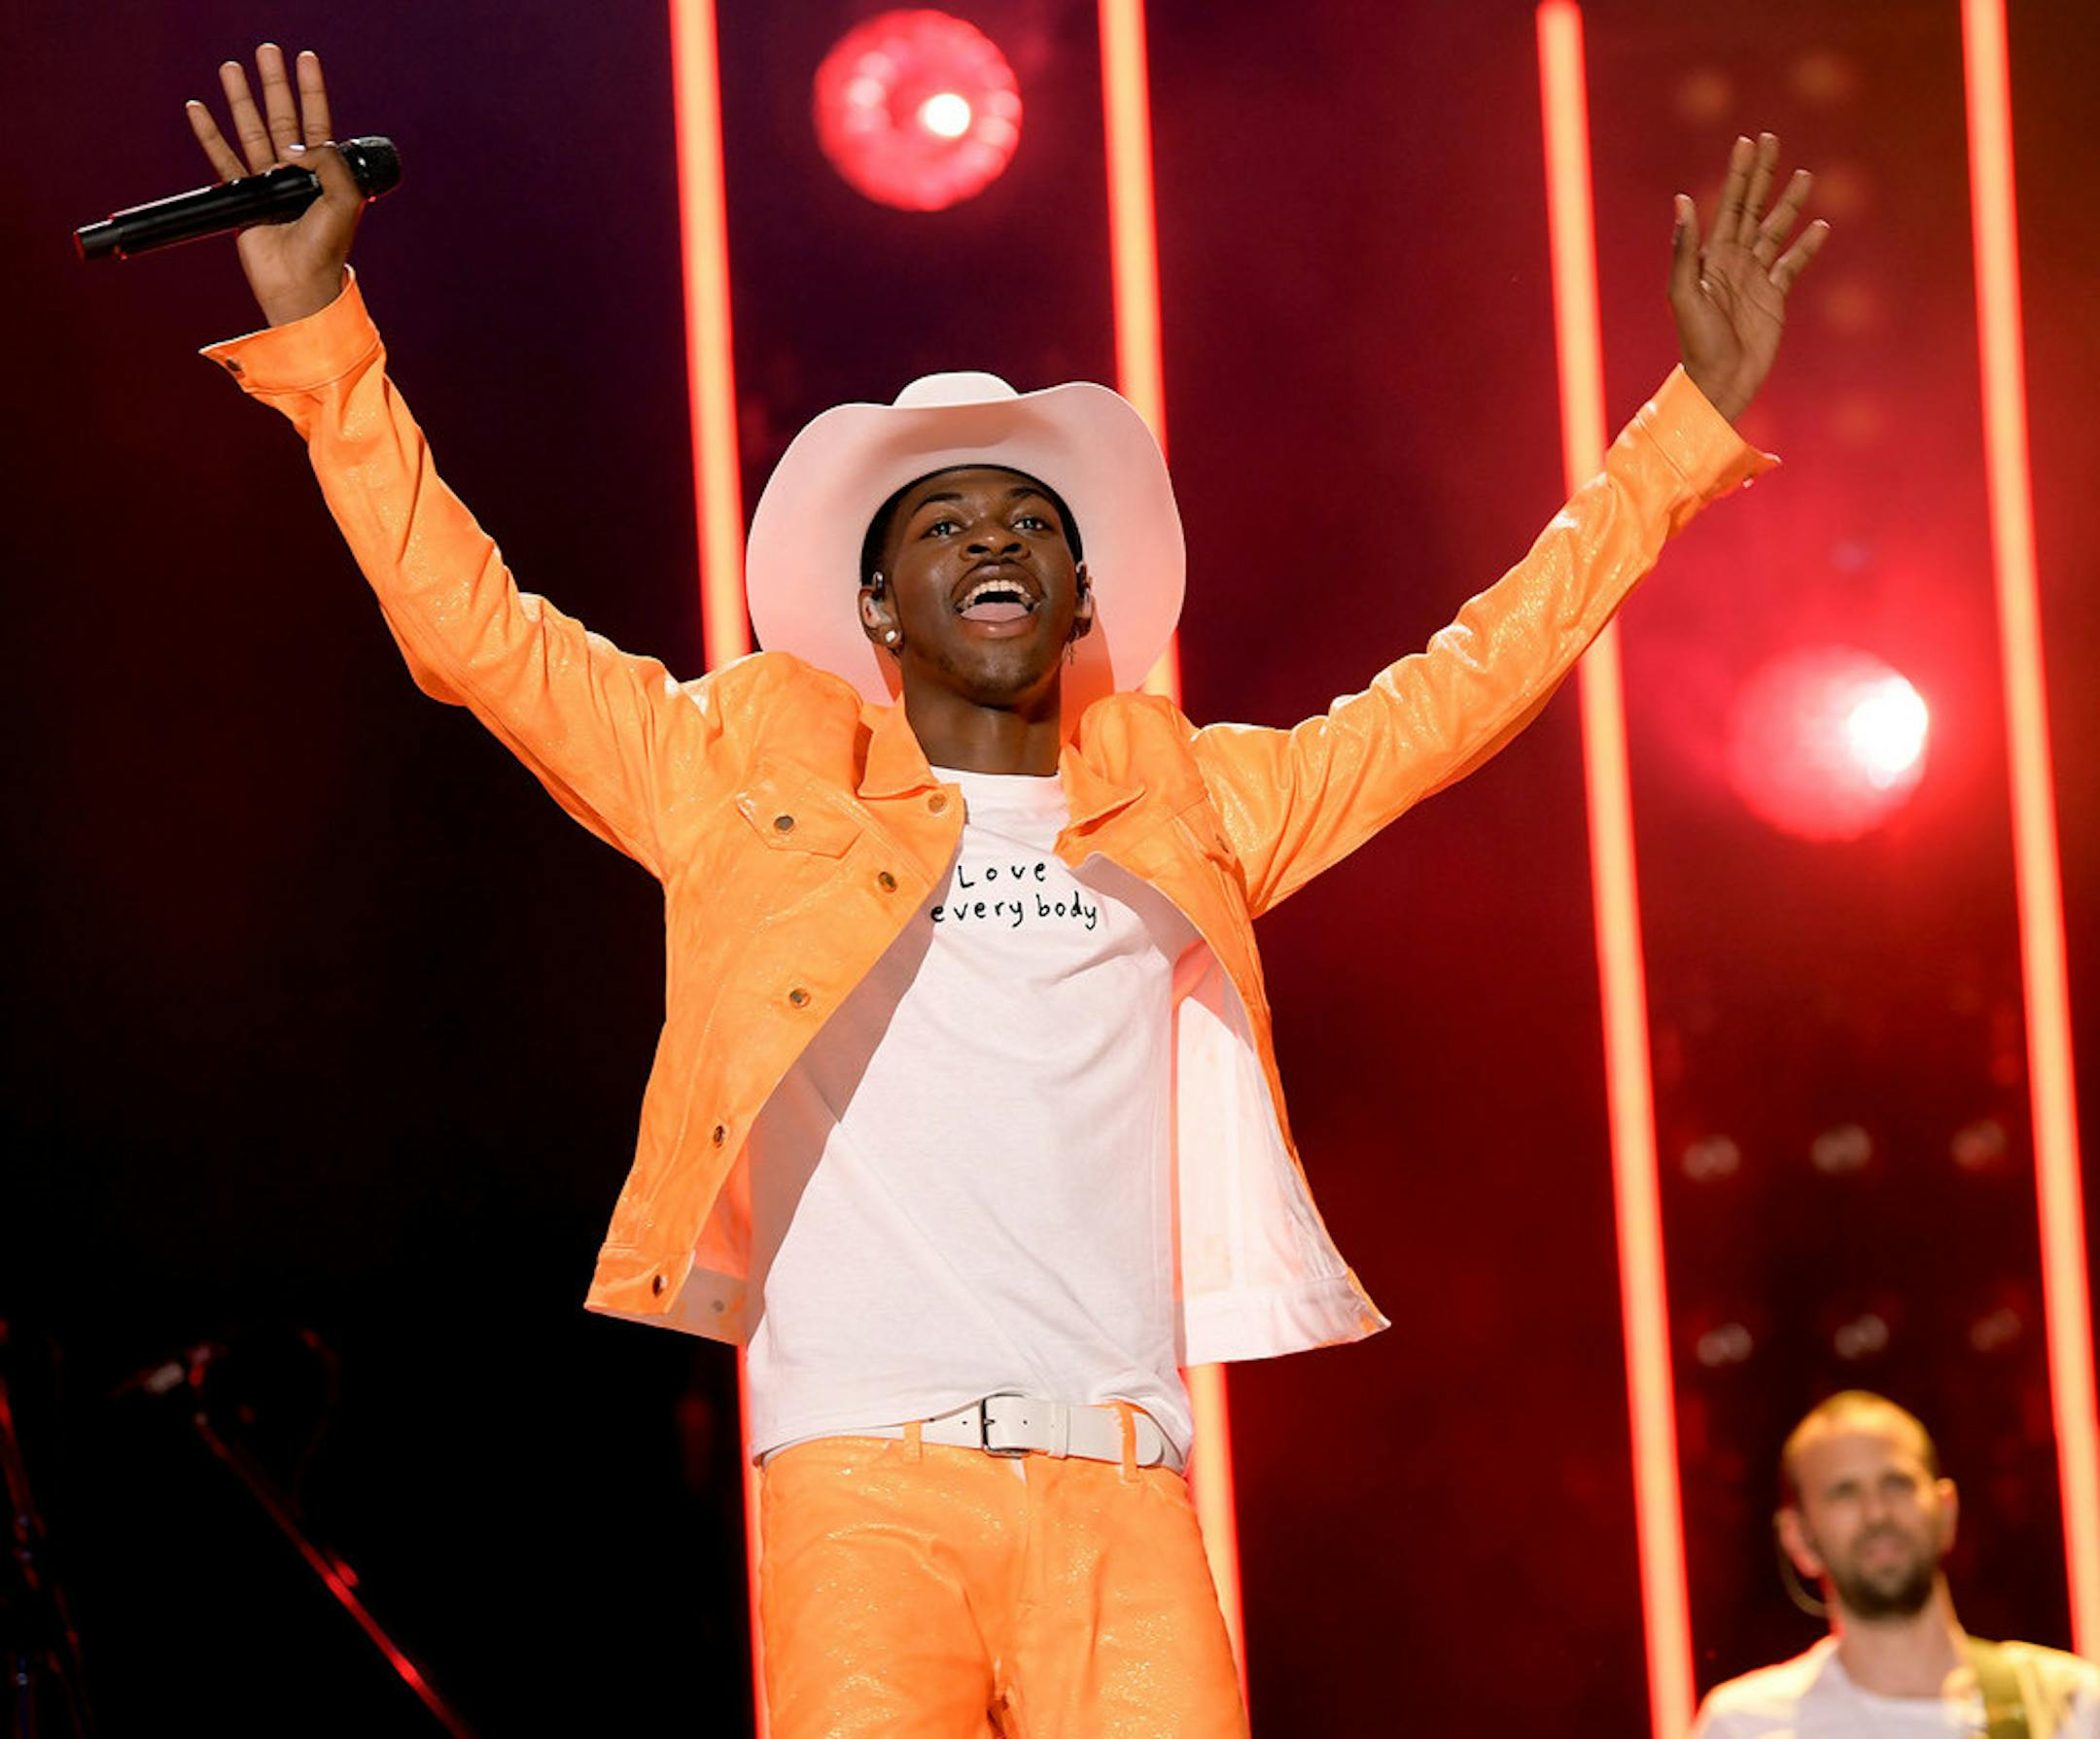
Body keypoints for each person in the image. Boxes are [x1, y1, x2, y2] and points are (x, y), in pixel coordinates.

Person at [184, 41, 1826, 1737]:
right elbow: (479, 636)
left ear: (1078, 586)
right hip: (864, 1487)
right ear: (878, 605)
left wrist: (1681, 430)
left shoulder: (1189, 795)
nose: (995, 541)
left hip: (1127, 1488)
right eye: (944, 519)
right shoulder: (748, 773)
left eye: (1033, 521)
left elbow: (1469, 682)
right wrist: (324, 343)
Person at [1690, 1391, 2100, 1738]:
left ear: (1947, 1512)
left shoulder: (2064, 1702)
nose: (1877, 1514)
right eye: (1844, 1493)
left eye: (1897, 1483)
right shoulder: (1744, 1725)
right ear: (1797, 1539)